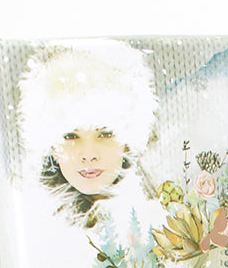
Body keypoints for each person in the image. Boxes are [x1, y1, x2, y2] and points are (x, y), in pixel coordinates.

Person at [19, 41, 158, 226]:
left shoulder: (160, 216)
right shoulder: (31, 220)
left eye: (105, 134)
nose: (89, 155)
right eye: (71, 136)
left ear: (128, 142)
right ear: (51, 146)